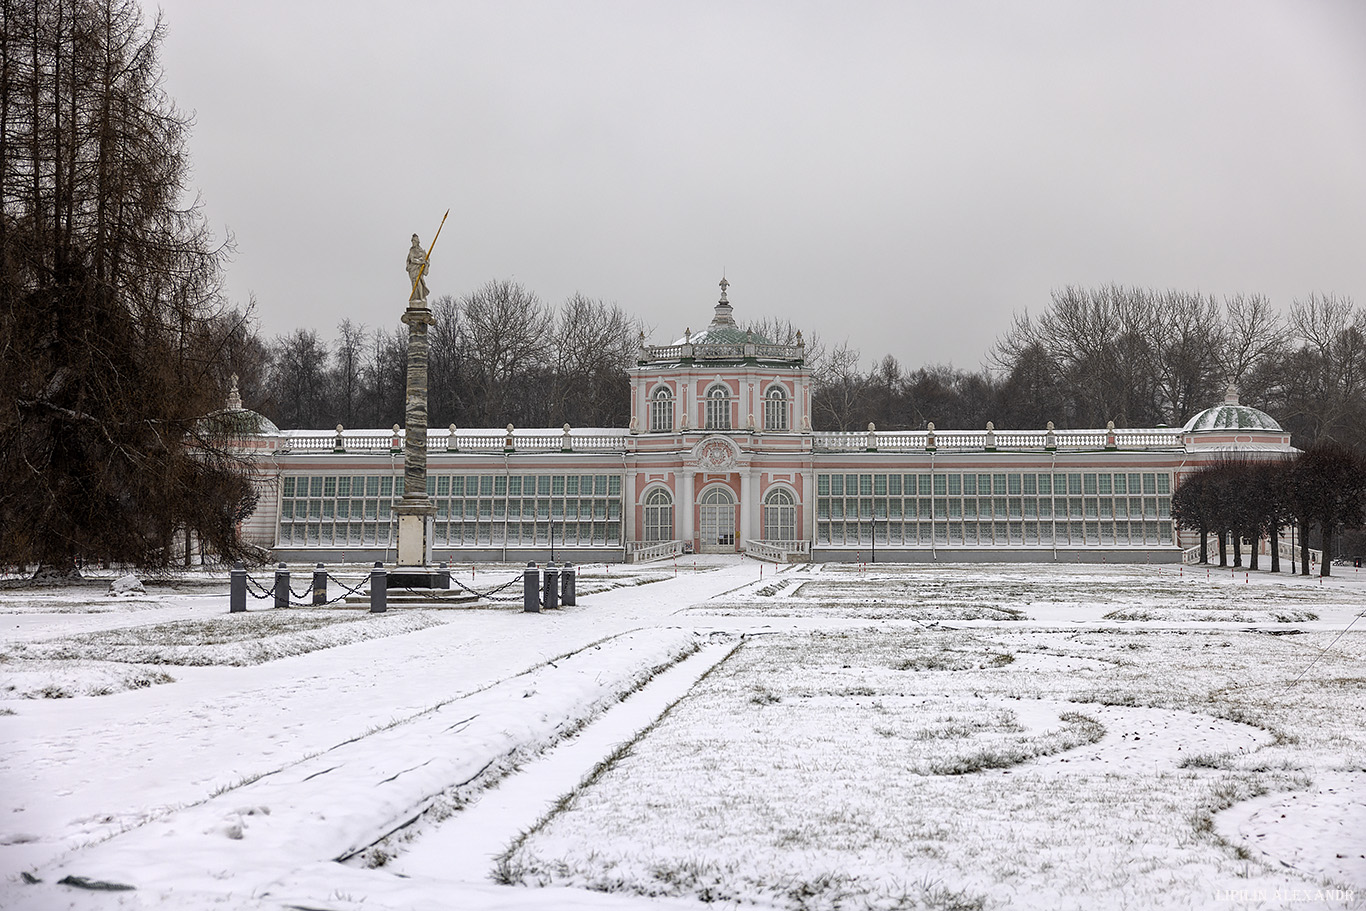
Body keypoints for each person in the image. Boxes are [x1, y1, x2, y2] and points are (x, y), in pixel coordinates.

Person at [406, 234, 429, 303]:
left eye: (414, 241)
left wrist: (426, 262)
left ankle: (421, 298)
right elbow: (411, 260)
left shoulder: (421, 251)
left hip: (419, 270)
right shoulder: (412, 251)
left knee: (420, 283)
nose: (413, 242)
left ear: (417, 241)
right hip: (413, 270)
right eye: (412, 241)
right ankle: (417, 298)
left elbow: (425, 258)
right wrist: (421, 262)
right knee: (415, 283)